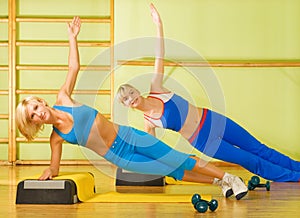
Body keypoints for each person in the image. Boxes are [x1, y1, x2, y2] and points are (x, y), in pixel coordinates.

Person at [15, 15, 249, 200]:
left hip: (128, 136)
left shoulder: (63, 98)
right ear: (34, 123)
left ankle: (231, 177)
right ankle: (219, 182)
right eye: (32, 116)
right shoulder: (56, 138)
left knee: (178, 159)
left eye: (35, 107)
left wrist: (72, 38)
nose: (37, 113)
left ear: (41, 101)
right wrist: (49, 172)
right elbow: (54, 167)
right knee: (171, 171)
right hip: (120, 156)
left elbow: (73, 67)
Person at [117, 4, 300, 184]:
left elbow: (159, 55)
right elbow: (155, 150)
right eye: (126, 98)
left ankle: (297, 167)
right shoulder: (148, 123)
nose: (131, 97)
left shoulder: (156, 88)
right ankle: (294, 177)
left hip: (212, 119)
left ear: (137, 91)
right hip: (202, 140)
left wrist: (159, 25)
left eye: (131, 92)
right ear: (125, 105)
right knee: (249, 160)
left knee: (259, 148)